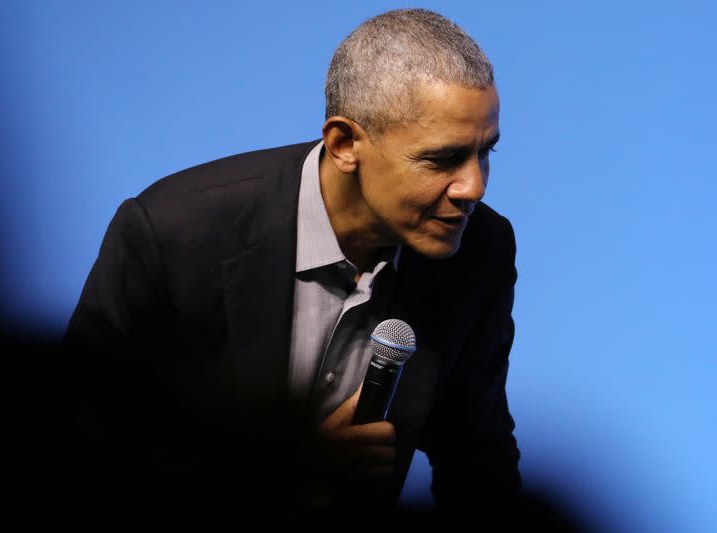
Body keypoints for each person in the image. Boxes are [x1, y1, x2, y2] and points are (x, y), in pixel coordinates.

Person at [66, 8, 521, 529]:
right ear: (345, 144)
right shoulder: (171, 235)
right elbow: (80, 448)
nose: (474, 187)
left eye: (485, 153)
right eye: (442, 160)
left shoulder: (480, 250)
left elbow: (477, 465)